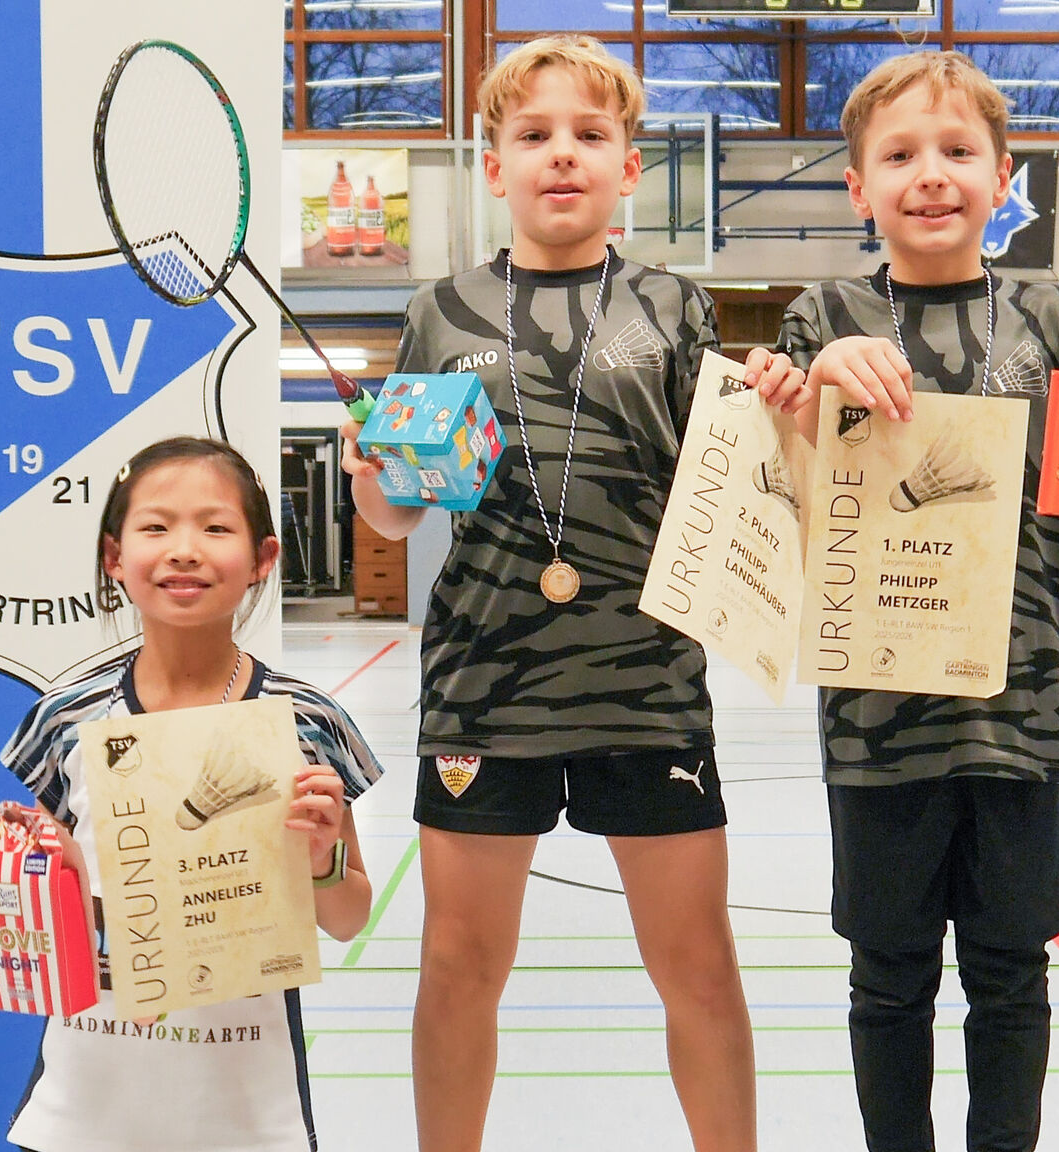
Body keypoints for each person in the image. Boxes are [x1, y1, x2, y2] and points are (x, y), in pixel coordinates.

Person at [338, 35, 804, 1152]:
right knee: (458, 964)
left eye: (590, 135)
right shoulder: (441, 311)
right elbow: (398, 516)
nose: (562, 154)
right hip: (483, 684)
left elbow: (735, 483)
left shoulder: (673, 306)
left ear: (629, 168)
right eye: (533, 134)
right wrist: (369, 477)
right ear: (493, 166)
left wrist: (784, 410)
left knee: (698, 965)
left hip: (646, 682)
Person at [777, 51, 1059, 1152]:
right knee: (887, 980)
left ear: (1002, 178)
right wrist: (808, 380)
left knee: (1011, 976)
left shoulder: (1053, 317)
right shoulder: (822, 316)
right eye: (899, 155)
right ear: (858, 187)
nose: (930, 174)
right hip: (874, 723)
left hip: (1019, 719)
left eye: (958, 151)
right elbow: (769, 476)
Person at [0, 436, 382, 1152]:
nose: (183, 550)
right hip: (84, 1104)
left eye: (215, 527)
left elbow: (348, 918)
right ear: (115, 557)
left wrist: (321, 860)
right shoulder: (67, 718)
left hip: (247, 1111)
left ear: (263, 558)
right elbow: (57, 892)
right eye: (156, 527)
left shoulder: (305, 721)